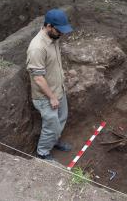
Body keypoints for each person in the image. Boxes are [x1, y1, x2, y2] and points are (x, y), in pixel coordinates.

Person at [26, 9, 73, 160]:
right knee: (51, 127)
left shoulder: (54, 37)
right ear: (48, 26)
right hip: (46, 97)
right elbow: (38, 78)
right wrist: (52, 97)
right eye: (59, 30)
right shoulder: (37, 48)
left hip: (58, 90)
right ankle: (42, 153)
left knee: (61, 118)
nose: (61, 34)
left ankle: (55, 141)